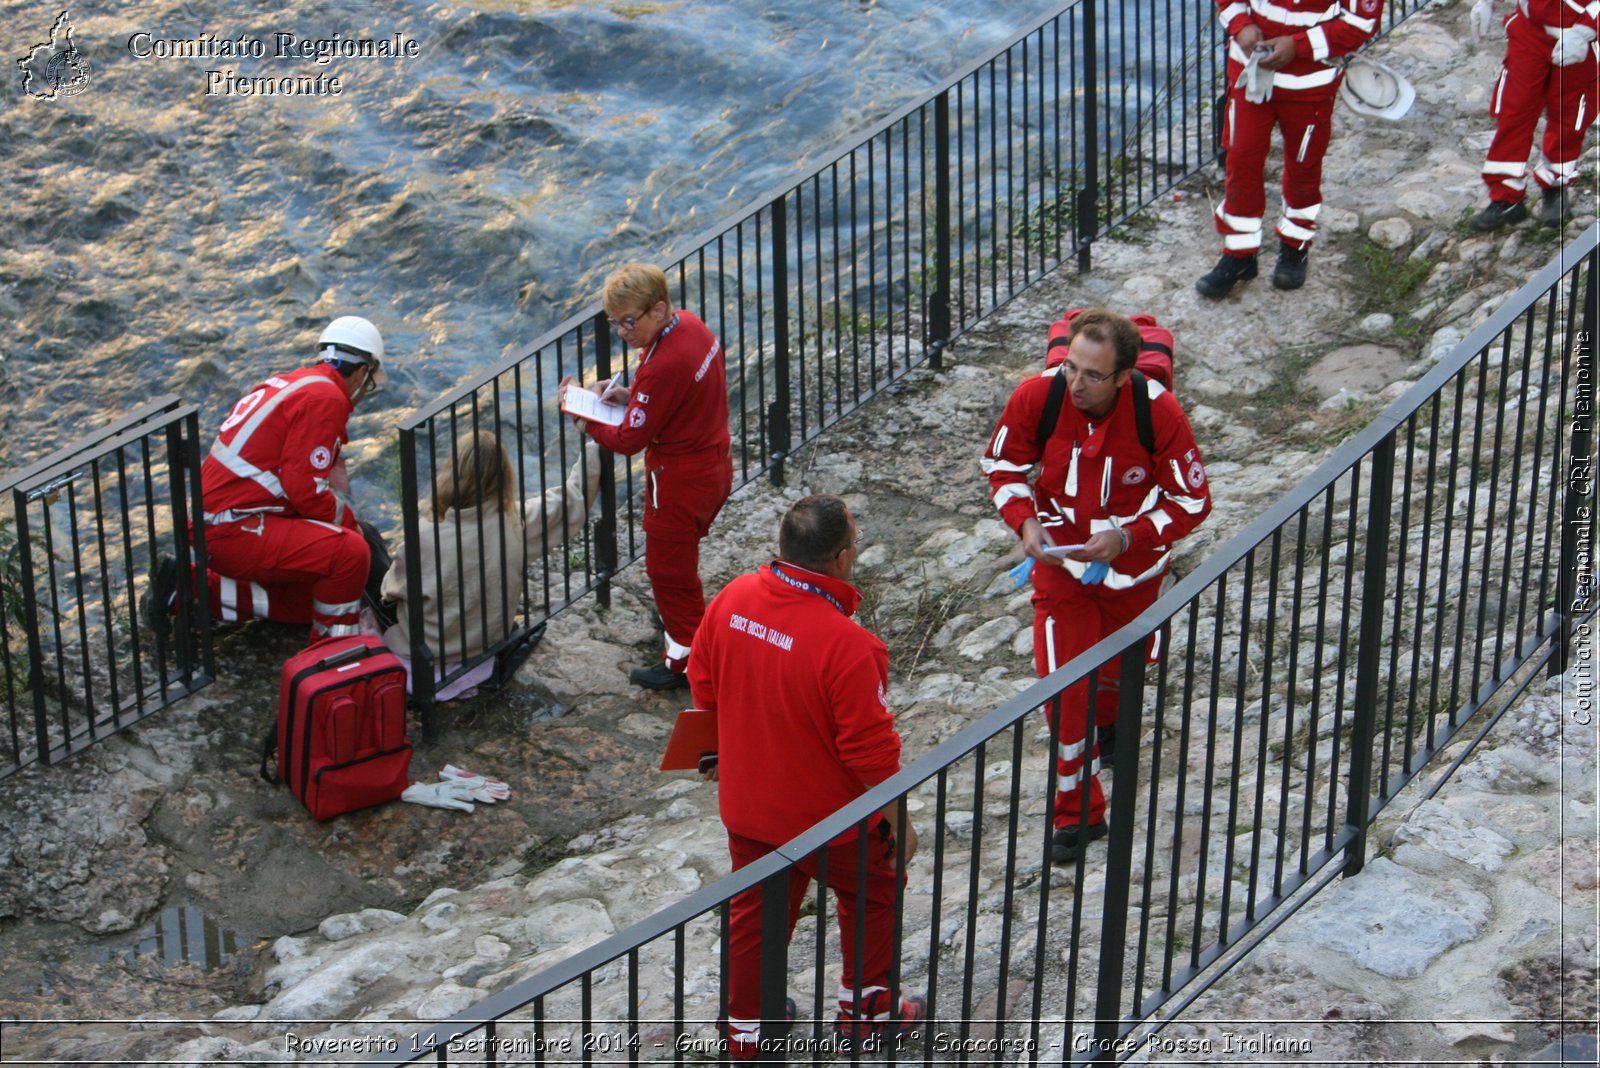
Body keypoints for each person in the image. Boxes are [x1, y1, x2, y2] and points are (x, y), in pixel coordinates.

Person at [686, 494, 924, 1057]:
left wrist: (716, 755)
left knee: (756, 914)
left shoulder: (732, 599)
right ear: (841, 559)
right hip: (833, 822)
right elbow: (871, 755)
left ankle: (748, 1029)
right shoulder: (849, 645)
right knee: (875, 892)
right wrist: (902, 825)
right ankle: (867, 1015)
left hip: (750, 808)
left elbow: (703, 681)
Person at [981, 309, 1213, 863]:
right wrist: (1026, 521)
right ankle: (1078, 815)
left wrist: (1128, 537)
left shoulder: (1160, 413)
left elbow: (1192, 501)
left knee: (1114, 674)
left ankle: (1108, 729)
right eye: (1069, 368)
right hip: (1060, 571)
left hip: (1133, 576)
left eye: (1091, 375)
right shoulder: (1040, 397)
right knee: (1065, 691)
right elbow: (1003, 465)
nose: (1075, 384)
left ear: (1125, 375)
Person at [144, 316, 386, 646]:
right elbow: (305, 489)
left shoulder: (289, 385)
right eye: (368, 384)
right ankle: (334, 652)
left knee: (310, 601)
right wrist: (349, 524)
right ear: (361, 373)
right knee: (351, 554)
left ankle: (192, 589)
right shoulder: (326, 399)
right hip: (235, 528)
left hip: (217, 524)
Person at [561, 263, 732, 691]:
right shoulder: (690, 327)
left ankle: (686, 662)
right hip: (713, 461)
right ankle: (682, 622)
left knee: (668, 571)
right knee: (679, 563)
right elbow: (669, 393)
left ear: (658, 310)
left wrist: (582, 418)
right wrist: (632, 394)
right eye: (613, 322)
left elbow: (629, 439)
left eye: (628, 321)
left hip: (679, 480)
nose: (621, 331)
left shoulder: (660, 368)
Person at [377, 430, 600, 698]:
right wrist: (598, 442)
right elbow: (572, 498)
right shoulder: (515, 523)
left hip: (430, 649)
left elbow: (391, 590)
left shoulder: (425, 533)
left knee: (368, 541)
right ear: (504, 477)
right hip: (487, 645)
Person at [1196, 0, 1382, 297]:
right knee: (1241, 160)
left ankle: (1295, 247)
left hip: (1310, 85)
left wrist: (1298, 45)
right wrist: (1241, 25)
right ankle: (1239, 254)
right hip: (1249, 73)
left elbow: (1360, 24)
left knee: (1304, 167)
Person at [1466, 0, 1597, 232]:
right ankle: (1505, 197)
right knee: (1514, 110)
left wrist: (1588, 29)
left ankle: (1555, 184)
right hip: (1530, 31)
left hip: (1581, 39)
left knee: (1568, 116)